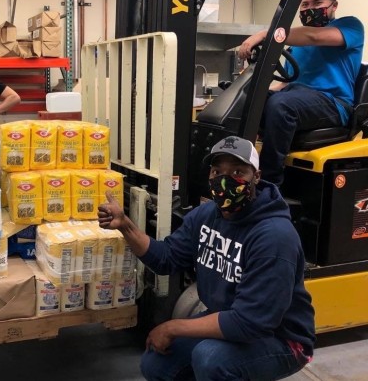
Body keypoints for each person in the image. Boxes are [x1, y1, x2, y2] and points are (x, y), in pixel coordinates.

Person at [98, 136, 315, 381]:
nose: (225, 179)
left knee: (211, 359)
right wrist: (125, 225)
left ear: (256, 176)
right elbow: (166, 259)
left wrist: (173, 326)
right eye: (217, 170)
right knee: (157, 362)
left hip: (280, 338)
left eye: (237, 171)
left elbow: (250, 322)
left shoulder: (274, 237)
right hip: (231, 318)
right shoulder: (206, 215)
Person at [238, 0, 364, 185]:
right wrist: (258, 92)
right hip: (297, 97)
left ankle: (269, 185)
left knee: (281, 105)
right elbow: (285, 84)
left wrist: (264, 34)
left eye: (317, 3)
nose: (310, 9)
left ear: (334, 6)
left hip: (333, 103)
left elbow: (314, 37)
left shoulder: (350, 26)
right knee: (248, 99)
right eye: (305, 5)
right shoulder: (296, 44)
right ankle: (238, 171)